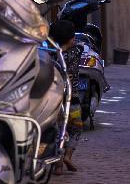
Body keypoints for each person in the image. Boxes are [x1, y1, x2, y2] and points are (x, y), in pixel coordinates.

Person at [51, 19, 84, 174]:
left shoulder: (51, 54)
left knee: (58, 130)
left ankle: (58, 162)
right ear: (70, 38)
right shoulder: (77, 50)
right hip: (72, 99)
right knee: (76, 127)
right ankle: (68, 156)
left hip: (54, 99)